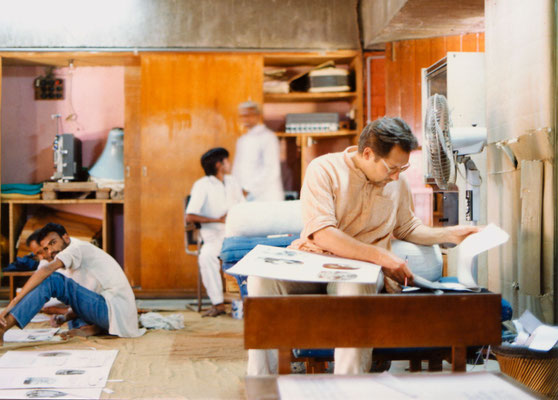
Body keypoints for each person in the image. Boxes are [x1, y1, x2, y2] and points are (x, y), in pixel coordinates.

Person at [246, 117, 480, 375]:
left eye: (403, 168)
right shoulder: (323, 169)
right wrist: (382, 256)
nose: (396, 175)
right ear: (368, 153)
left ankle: (349, 389)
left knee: (356, 288)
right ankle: (261, 383)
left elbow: (407, 227)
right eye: (392, 167)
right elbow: (323, 234)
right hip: (312, 261)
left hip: (360, 270)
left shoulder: (397, 183)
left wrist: (451, 234)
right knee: (260, 280)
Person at [0, 223, 144, 344]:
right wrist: (65, 316)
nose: (51, 251)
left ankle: (2, 328)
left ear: (65, 237)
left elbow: (47, 270)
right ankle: (92, 328)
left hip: (115, 311)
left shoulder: (76, 248)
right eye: (46, 249)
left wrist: (13, 302)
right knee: (70, 319)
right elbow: (85, 296)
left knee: (53, 279)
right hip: (112, 314)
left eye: (53, 242)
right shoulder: (70, 260)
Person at [186, 147, 245, 317]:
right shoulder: (202, 185)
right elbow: (190, 216)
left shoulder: (233, 181)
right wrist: (218, 220)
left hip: (236, 235)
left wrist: (234, 215)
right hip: (215, 238)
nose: (230, 163)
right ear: (219, 164)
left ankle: (249, 302)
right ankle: (218, 303)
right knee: (206, 256)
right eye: (227, 160)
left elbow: (244, 205)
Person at [232, 101, 284, 201]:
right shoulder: (242, 139)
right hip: (245, 196)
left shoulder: (268, 137)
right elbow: (238, 168)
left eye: (248, 115)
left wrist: (248, 189)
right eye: (242, 116)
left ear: (257, 116)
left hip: (265, 196)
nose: (244, 119)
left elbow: (271, 170)